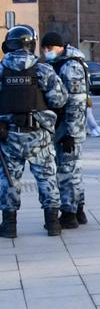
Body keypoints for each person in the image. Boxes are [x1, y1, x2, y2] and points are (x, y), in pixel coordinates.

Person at [0, 25, 68, 238]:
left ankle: (9, 225)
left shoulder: (1, 70)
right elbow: (60, 99)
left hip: (9, 135)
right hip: (39, 135)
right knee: (46, 177)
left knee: (9, 180)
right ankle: (52, 223)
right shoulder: (43, 70)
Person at [40, 32, 90, 229]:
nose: (46, 52)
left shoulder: (70, 66)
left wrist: (70, 132)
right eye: (44, 49)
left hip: (68, 128)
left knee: (67, 169)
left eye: (49, 48)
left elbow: (76, 103)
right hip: (64, 126)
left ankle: (69, 213)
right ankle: (78, 210)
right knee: (73, 169)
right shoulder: (61, 63)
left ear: (59, 47)